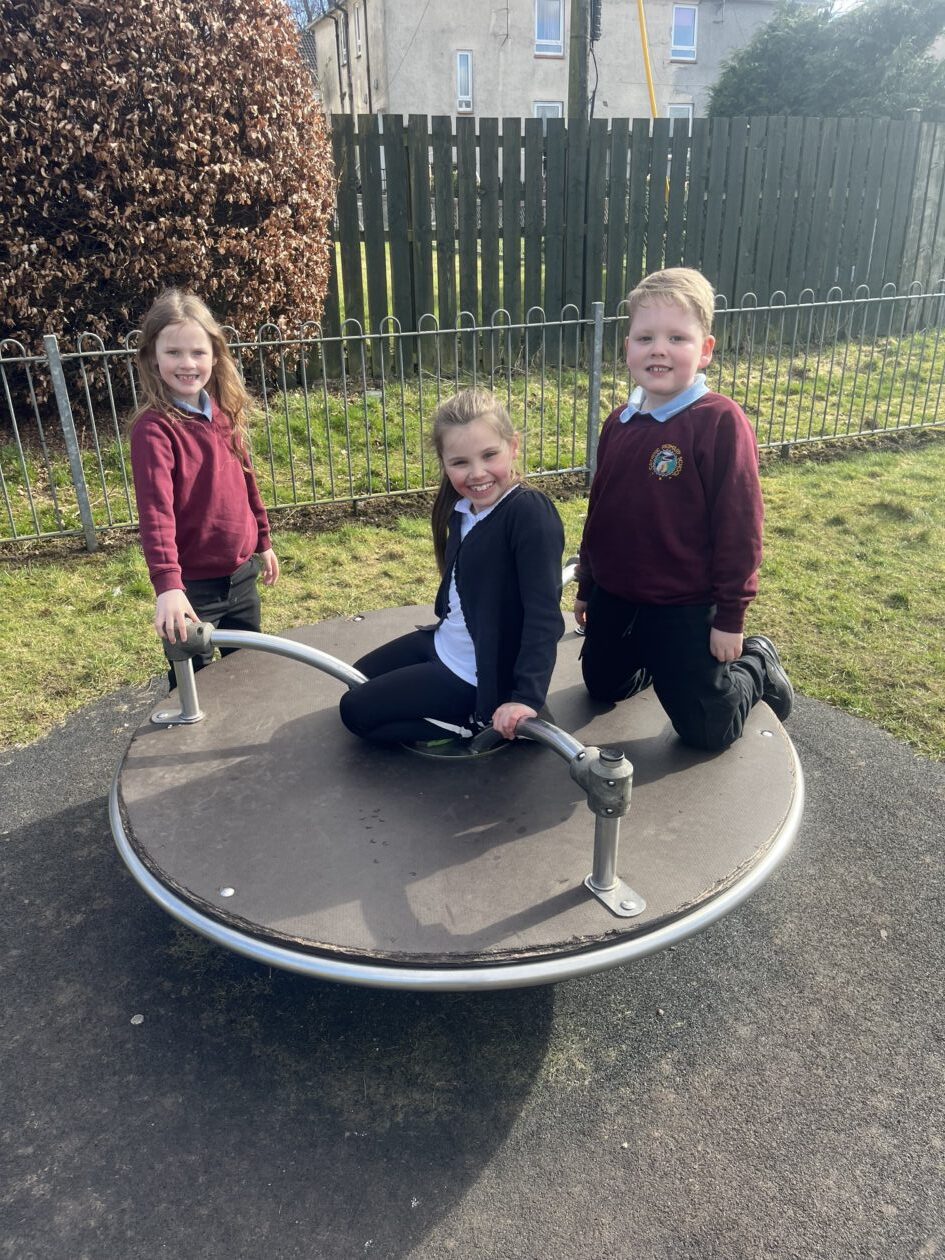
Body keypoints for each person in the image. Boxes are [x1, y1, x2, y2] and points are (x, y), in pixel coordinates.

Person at [574, 267, 793, 751]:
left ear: (705, 349)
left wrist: (730, 619)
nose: (659, 349)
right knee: (603, 687)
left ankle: (757, 662)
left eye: (677, 338)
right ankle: (661, 662)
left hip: (684, 605)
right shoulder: (619, 422)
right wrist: (588, 585)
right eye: (645, 337)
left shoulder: (719, 422)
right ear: (627, 347)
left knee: (708, 730)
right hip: (616, 597)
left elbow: (740, 528)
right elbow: (600, 514)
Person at [339, 387, 565, 747]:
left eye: (489, 455)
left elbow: (544, 616)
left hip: (475, 675)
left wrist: (526, 698)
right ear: (444, 463)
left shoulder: (528, 513)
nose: (477, 473)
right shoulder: (463, 509)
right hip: (445, 643)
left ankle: (472, 721)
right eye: (460, 463)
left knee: (355, 711)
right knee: (355, 676)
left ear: (513, 446)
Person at [129, 289, 279, 686]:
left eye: (198, 352)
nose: (187, 363)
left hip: (241, 576)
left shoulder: (224, 414)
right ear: (153, 356)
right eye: (173, 352)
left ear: (215, 355)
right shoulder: (154, 430)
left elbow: (246, 480)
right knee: (193, 683)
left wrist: (263, 541)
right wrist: (168, 586)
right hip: (192, 587)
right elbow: (156, 514)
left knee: (246, 673)